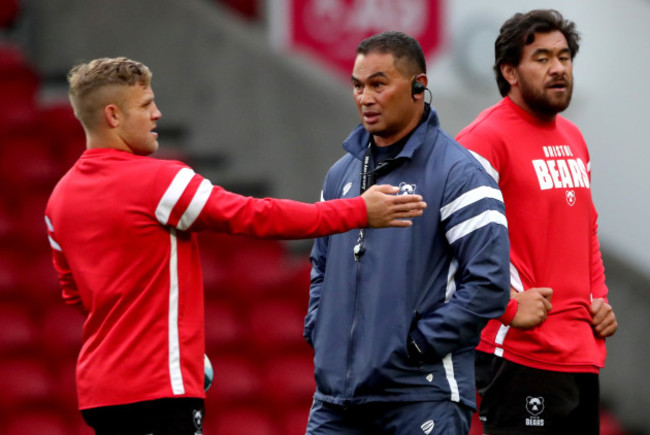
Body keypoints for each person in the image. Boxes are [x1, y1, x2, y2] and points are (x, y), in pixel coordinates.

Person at [43, 56, 427, 435]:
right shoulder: (159, 180)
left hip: (100, 394)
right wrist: (359, 210)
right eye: (146, 105)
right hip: (157, 389)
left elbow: (77, 295)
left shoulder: (59, 201)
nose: (157, 114)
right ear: (113, 116)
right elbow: (257, 216)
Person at [303, 31, 511, 435]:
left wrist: (415, 345)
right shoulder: (339, 174)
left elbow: (489, 283)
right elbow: (322, 266)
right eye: (358, 86)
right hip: (336, 401)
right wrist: (320, 328)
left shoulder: (460, 173)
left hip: (421, 397)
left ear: (419, 86)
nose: (365, 98)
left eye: (379, 84)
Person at [455, 9, 618, 434]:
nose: (559, 68)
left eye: (564, 57)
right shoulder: (482, 140)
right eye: (542, 58)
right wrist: (507, 306)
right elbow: (453, 241)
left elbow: (587, 230)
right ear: (510, 71)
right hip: (520, 356)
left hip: (580, 353)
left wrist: (598, 298)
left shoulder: (574, 137)